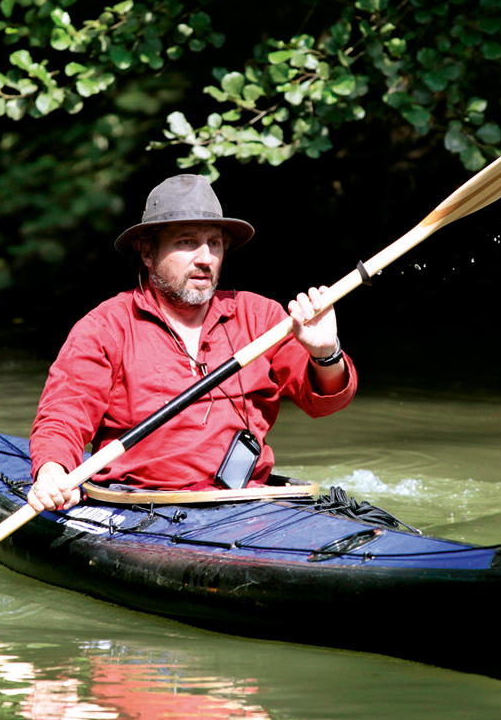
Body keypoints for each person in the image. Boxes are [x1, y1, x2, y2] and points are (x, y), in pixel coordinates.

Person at [27, 174, 358, 512]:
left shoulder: (261, 317)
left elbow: (325, 403)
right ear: (147, 252)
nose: (205, 258)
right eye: (187, 242)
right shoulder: (104, 327)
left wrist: (325, 354)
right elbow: (63, 417)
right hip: (139, 507)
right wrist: (52, 472)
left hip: (246, 504)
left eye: (214, 243)